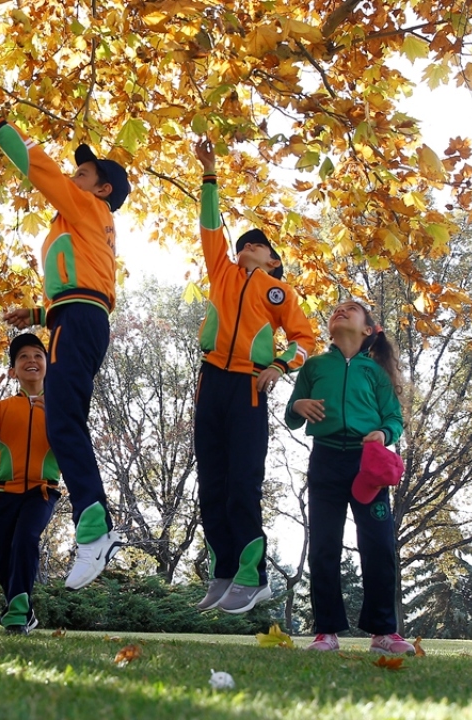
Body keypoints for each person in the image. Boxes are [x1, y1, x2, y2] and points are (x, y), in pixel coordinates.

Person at [0, 88, 129, 590]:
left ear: (99, 189)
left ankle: (95, 532)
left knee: (62, 420)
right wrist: (37, 310)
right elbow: (86, 277)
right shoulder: (83, 221)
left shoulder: (83, 205)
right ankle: (94, 526)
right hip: (76, 317)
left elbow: (34, 164)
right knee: (64, 419)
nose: (73, 177)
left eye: (83, 173)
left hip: (77, 321)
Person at [191, 139, 316, 614]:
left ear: (272, 260)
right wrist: (209, 175)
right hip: (210, 382)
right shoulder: (221, 273)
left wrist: (280, 365)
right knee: (211, 482)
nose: (248, 248)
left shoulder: (280, 292)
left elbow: (305, 340)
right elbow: (209, 228)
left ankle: (253, 576)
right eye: (244, 243)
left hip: (247, 387)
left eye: (259, 246)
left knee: (243, 481)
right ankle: (223, 573)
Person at [285, 300, 411, 655]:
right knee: (324, 544)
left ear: (367, 330)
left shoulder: (375, 373)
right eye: (336, 309)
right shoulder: (314, 367)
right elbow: (291, 415)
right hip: (324, 460)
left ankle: (384, 632)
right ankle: (326, 632)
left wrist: (383, 435)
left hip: (367, 465)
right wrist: (298, 406)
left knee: (378, 544)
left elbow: (394, 419)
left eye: (351, 309)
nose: (340, 310)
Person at [0, 333, 59, 633]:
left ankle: (17, 615)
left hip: (42, 491)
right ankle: (26, 610)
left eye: (38, 355)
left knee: (26, 540)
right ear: (12, 371)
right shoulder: (3, 407)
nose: (31, 361)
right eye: (23, 357)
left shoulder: (61, 405)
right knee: (2, 562)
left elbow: (75, 442)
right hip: (5, 494)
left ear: (48, 364)